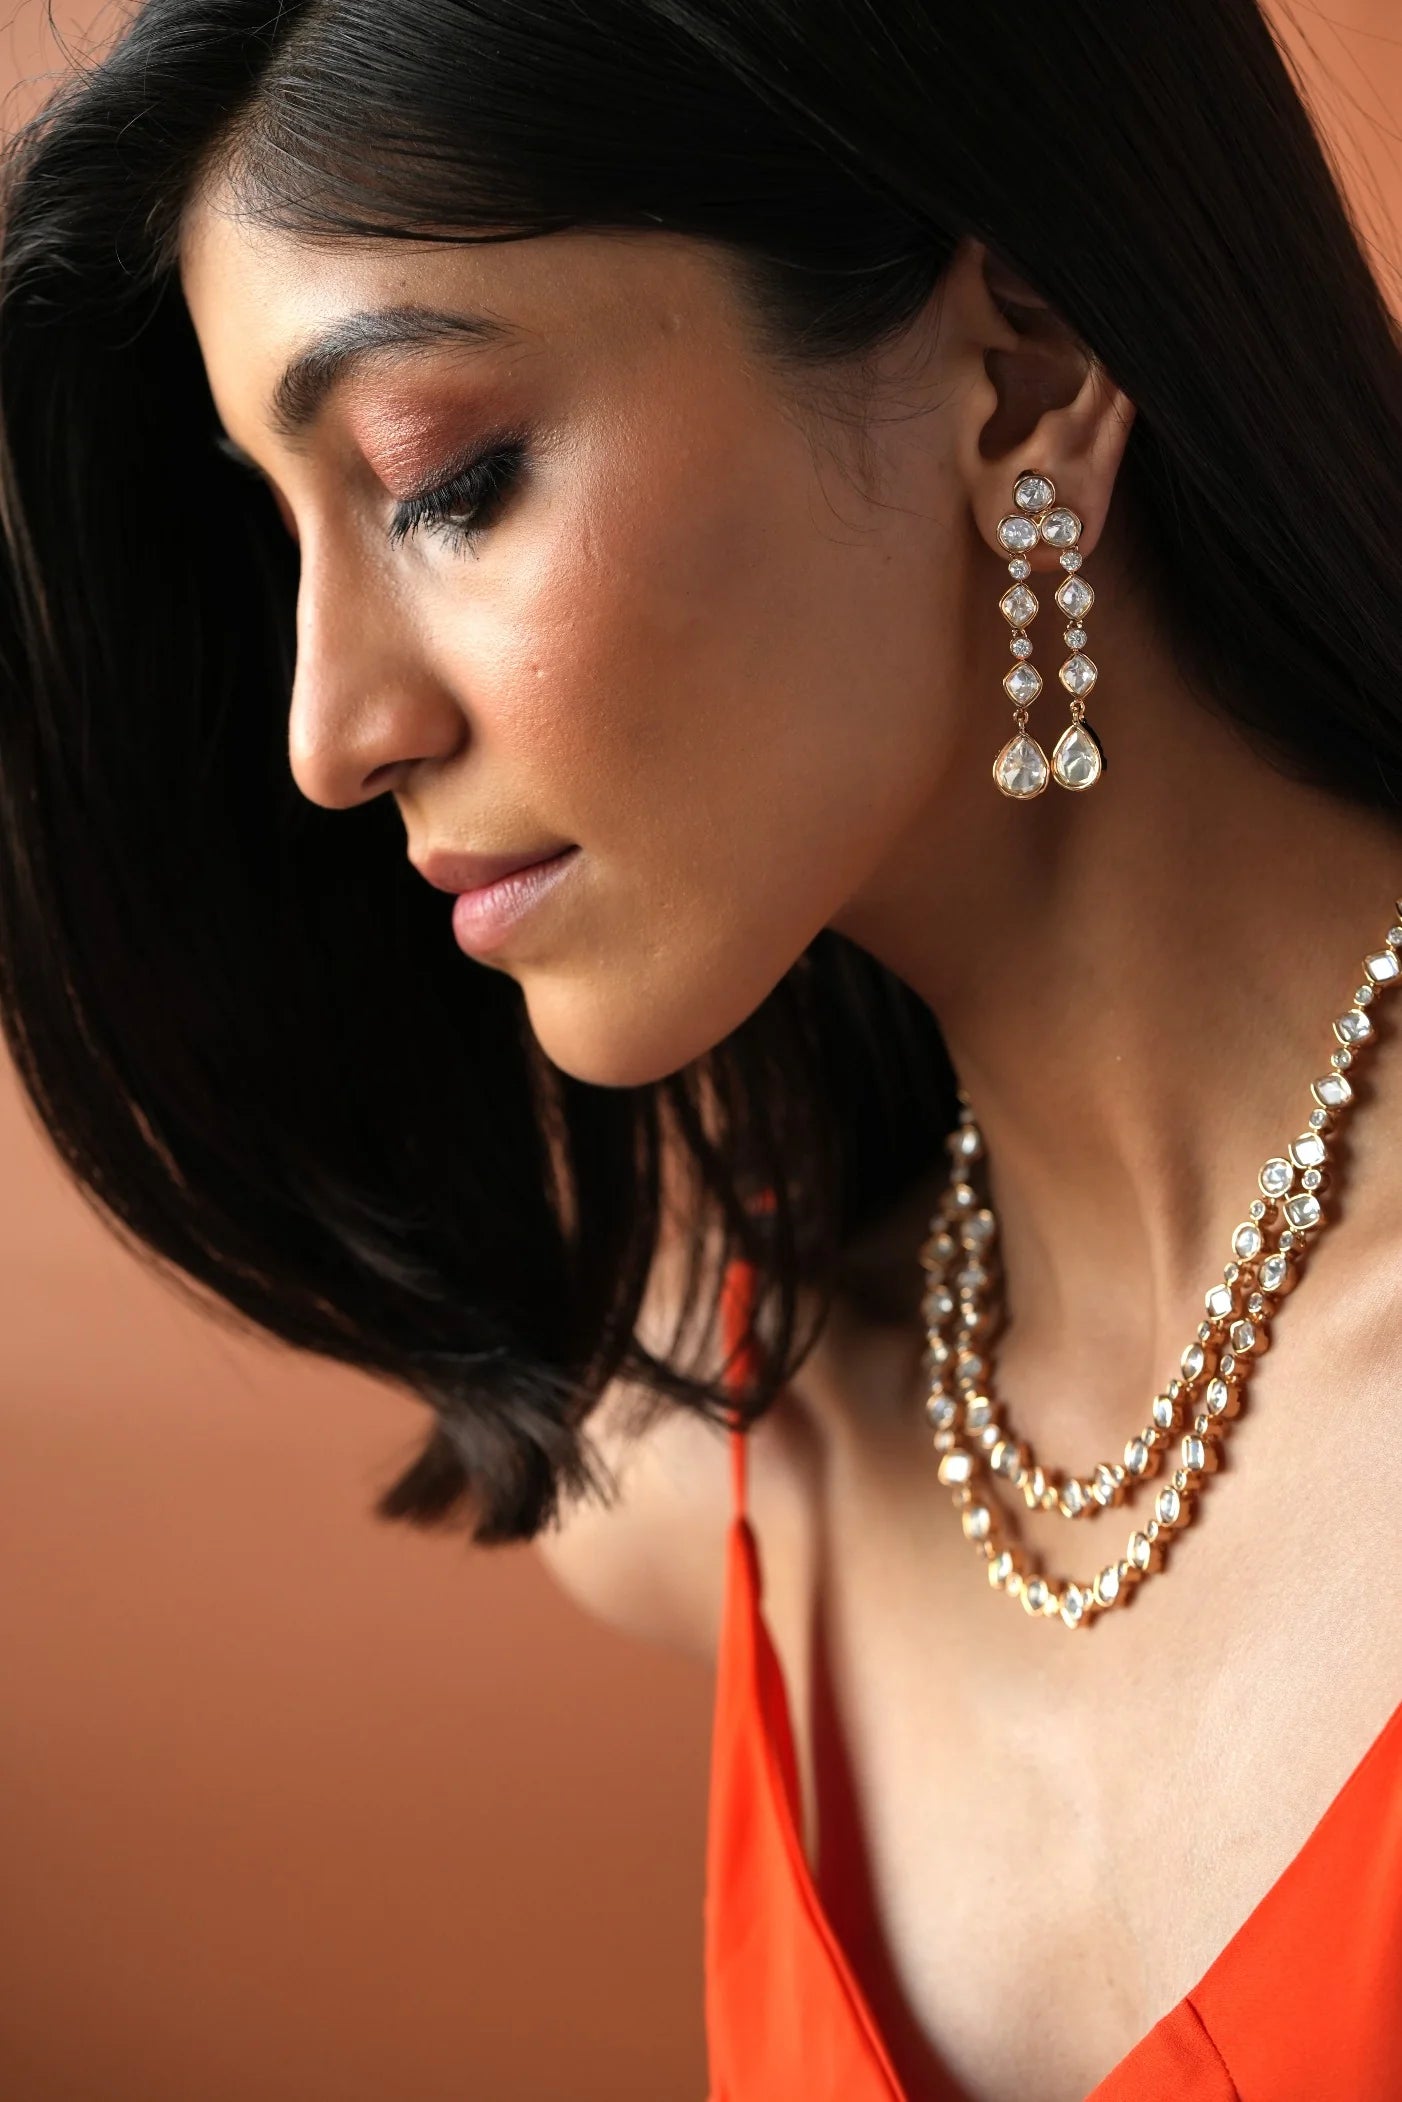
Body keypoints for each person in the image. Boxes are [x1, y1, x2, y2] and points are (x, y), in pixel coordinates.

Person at [0, 3, 1399, 2096]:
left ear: (1015, 366)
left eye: (438, 480)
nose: (327, 727)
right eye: (281, 534)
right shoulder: (705, 1467)